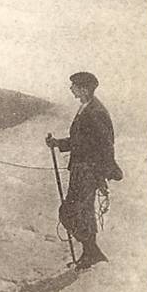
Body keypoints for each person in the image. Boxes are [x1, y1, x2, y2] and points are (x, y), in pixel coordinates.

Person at [46, 71, 122, 269]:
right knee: (83, 212)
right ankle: (90, 253)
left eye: (74, 86)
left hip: (88, 171)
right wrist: (58, 143)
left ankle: (92, 252)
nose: (71, 89)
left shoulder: (95, 111)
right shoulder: (86, 108)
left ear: (85, 88)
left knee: (69, 212)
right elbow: (81, 140)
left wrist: (102, 174)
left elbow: (106, 144)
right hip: (82, 169)